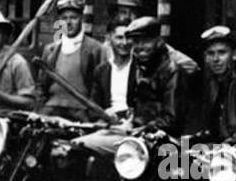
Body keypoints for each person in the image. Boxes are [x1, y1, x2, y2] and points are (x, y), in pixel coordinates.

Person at [76, 15, 192, 157]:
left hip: (155, 140)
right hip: (134, 132)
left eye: (146, 41)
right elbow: (135, 105)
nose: (141, 47)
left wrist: (137, 128)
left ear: (158, 40)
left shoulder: (172, 71)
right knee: (75, 142)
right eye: (137, 42)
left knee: (83, 145)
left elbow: (171, 121)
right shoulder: (141, 68)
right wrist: (127, 121)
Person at [39, 0, 106, 121]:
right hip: (51, 111)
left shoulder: (95, 49)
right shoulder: (50, 50)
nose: (68, 23)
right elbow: (41, 85)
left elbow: (99, 88)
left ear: (81, 18)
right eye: (64, 18)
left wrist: (93, 114)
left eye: (73, 18)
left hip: (81, 113)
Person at [90, 19, 133, 116]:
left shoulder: (139, 69)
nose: (125, 42)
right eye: (119, 38)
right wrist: (104, 114)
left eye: (128, 37)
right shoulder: (101, 71)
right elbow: (93, 106)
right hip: (108, 122)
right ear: (109, 38)